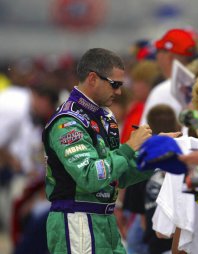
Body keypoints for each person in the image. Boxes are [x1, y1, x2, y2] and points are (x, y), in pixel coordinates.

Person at [42, 48, 154, 254]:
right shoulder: (68, 122)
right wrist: (129, 147)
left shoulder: (104, 117)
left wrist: (159, 156)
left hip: (105, 219)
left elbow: (118, 175)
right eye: (115, 84)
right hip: (77, 219)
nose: (119, 92)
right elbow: (91, 176)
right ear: (93, 78)